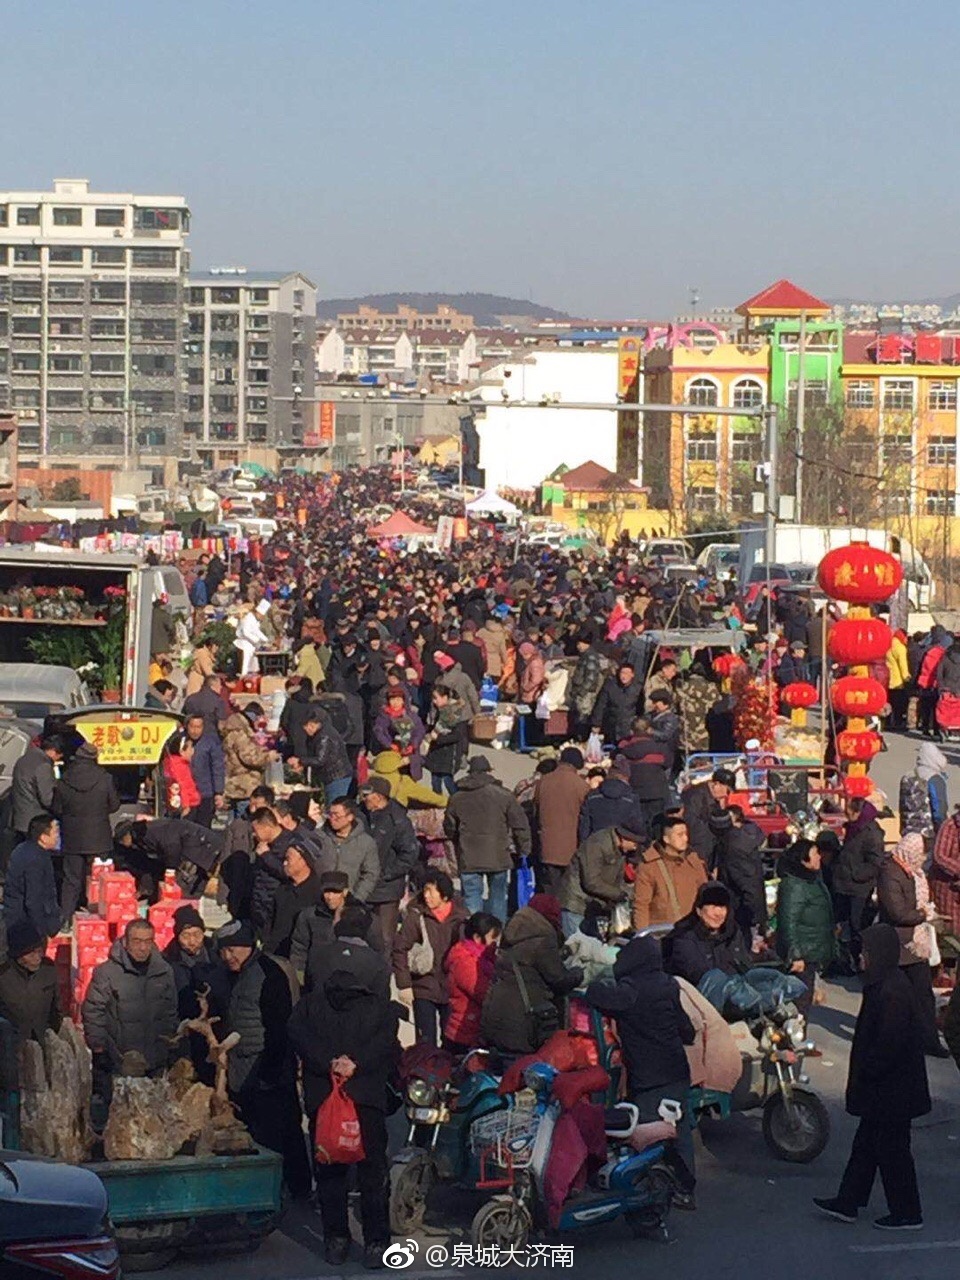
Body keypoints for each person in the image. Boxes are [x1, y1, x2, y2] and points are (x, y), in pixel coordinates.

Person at [287, 936, 400, 1267]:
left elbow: (296, 1034)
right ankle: (377, 1243)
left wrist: (329, 1063)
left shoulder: (310, 1006)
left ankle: (335, 1239)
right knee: (372, 1172)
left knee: (329, 1172)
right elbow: (386, 1041)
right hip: (366, 1098)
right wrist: (356, 1063)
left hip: (325, 1100)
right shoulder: (378, 1008)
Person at [814, 923, 930, 1231]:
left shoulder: (891, 991)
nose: (860, 959)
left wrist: (868, 1071)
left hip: (892, 1089)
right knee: (867, 1145)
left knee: (892, 1151)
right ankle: (848, 1201)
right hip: (889, 1088)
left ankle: (907, 1212)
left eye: (864, 953)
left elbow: (888, 1044)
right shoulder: (884, 983)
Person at [586, 933, 696, 1196]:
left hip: (649, 1076)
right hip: (676, 1070)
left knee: (648, 1134)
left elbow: (595, 994)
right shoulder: (668, 985)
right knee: (678, 1131)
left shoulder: (630, 992)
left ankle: (656, 1189)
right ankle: (685, 1187)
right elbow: (687, 1030)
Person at [215, 919, 311, 1197]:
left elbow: (280, 1026)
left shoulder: (269, 974)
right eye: (224, 951)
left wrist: (270, 1072)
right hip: (240, 1068)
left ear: (250, 947)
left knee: (281, 1133)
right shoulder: (229, 975)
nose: (229, 956)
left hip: (268, 1069)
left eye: (235, 950)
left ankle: (294, 1189)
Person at [82, 919, 178, 1093]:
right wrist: (99, 1048)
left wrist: (170, 1045)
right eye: (137, 941)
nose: (143, 948)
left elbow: (170, 1010)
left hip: (155, 1062)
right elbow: (93, 1010)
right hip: (119, 1062)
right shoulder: (107, 972)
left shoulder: (164, 971)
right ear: (126, 942)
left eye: (147, 941)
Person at [480, 895, 583, 1055]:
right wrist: (579, 973)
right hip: (523, 1024)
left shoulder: (513, 933)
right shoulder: (543, 939)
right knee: (522, 1073)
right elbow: (559, 980)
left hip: (495, 1015)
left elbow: (527, 962)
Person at [876, 834, 947, 1057]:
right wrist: (922, 914)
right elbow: (897, 912)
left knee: (923, 995)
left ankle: (927, 1040)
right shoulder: (890, 874)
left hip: (914, 943)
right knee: (889, 996)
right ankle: (887, 1039)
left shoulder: (911, 872)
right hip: (897, 944)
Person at [443, 756, 531, 921]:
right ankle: (495, 938)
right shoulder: (503, 795)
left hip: (469, 856)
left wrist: (458, 842)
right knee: (498, 899)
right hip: (498, 855)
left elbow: (449, 828)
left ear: (470, 772)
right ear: (489, 771)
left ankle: (473, 938)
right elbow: (520, 825)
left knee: (471, 899)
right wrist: (523, 849)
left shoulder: (457, 798)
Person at [393, 870, 469, 1046]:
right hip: (423, 986)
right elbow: (400, 949)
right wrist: (403, 984)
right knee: (425, 1042)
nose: (427, 896)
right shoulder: (416, 916)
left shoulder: (462, 917)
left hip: (452, 989)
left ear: (444, 894)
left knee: (451, 1040)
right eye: (425, 891)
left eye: (431, 891)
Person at [51, 742, 121, 924]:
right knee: (100, 880)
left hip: (72, 837)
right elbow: (114, 805)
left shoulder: (64, 779)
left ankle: (65, 919)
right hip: (99, 838)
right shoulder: (105, 778)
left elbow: (56, 807)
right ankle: (99, 922)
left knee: (71, 880)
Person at [358, 777, 422, 951]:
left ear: (378, 797)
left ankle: (383, 974)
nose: (363, 798)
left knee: (385, 939)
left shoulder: (398, 820)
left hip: (386, 889)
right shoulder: (359, 814)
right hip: (361, 886)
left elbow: (409, 854)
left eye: (367, 795)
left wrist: (385, 873)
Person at [776, 839, 836, 1014]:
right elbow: (788, 921)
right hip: (802, 953)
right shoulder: (794, 885)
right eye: (815, 853)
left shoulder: (812, 879)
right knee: (799, 1002)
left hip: (812, 950)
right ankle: (796, 1037)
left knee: (805, 999)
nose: (819, 857)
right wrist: (795, 955)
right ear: (803, 859)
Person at [559, 821, 641, 938]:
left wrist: (630, 895)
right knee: (576, 949)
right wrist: (618, 894)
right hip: (576, 905)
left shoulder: (622, 851)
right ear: (625, 838)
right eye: (635, 842)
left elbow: (617, 880)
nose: (635, 847)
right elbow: (591, 881)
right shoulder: (597, 844)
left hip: (594, 907)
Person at [667, 882, 750, 987]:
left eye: (722, 907)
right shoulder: (684, 939)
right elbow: (698, 975)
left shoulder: (733, 934)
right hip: (700, 998)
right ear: (699, 910)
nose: (718, 913)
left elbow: (746, 966)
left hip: (740, 994)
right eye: (712, 907)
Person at [832, 798, 884, 964]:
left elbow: (875, 863)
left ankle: (860, 959)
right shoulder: (854, 829)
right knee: (842, 924)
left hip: (858, 889)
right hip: (844, 885)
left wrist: (856, 875)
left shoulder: (871, 834)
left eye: (849, 813)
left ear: (858, 813)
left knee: (857, 925)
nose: (847, 817)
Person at [633, 817, 708, 930]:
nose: (685, 839)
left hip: (692, 931)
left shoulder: (693, 861)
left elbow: (705, 894)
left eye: (686, 834)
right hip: (661, 931)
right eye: (680, 835)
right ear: (666, 839)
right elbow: (641, 905)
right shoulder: (649, 866)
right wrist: (643, 937)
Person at [533, 746, 589, 897]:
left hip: (547, 846)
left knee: (549, 892)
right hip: (571, 848)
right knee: (568, 894)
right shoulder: (581, 786)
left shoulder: (544, 782)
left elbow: (536, 810)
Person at [443, 912, 501, 1051]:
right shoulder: (466, 961)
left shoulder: (485, 958)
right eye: (493, 938)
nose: (496, 943)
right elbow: (482, 993)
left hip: (474, 1029)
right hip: (464, 1033)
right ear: (477, 938)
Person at [0, 920, 61, 1042]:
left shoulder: (48, 970)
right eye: (31, 954)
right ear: (19, 956)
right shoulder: (3, 976)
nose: (37, 958)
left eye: (39, 952)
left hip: (42, 1039)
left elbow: (57, 1007)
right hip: (12, 1045)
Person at [3, 815, 62, 941]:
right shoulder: (36, 859)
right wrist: (41, 932)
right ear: (43, 837)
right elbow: (34, 898)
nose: (58, 836)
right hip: (25, 924)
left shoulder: (22, 849)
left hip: (15, 917)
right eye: (55, 832)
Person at [263, 842, 326, 959]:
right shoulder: (282, 889)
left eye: (288, 859)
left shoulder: (318, 894)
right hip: (275, 954)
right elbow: (270, 921)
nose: (284, 863)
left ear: (303, 861)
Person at [715, 804, 766, 946]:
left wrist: (755, 921)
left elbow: (749, 885)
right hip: (742, 912)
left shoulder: (733, 847)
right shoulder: (737, 840)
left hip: (741, 914)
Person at [314, 799, 381, 903]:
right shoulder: (319, 837)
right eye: (330, 814)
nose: (332, 819)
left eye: (336, 815)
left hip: (348, 901)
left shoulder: (365, 842)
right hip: (319, 899)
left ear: (350, 817)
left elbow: (371, 874)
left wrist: (357, 898)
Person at [221, 704, 278, 815]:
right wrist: (268, 756)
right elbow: (249, 758)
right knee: (244, 819)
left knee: (236, 820)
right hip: (243, 785)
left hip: (237, 783)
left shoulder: (237, 730)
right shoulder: (239, 733)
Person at [577, 755, 647, 844]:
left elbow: (584, 828)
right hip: (621, 848)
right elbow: (637, 828)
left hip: (595, 847)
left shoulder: (592, 796)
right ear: (626, 777)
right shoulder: (631, 799)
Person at [679, 768, 734, 874]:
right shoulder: (695, 796)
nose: (726, 795)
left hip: (710, 846)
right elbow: (691, 824)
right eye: (727, 790)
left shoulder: (715, 799)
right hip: (698, 847)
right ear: (717, 784)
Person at [10, 734, 62, 841]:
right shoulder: (43, 765)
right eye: (59, 755)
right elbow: (48, 798)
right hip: (37, 820)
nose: (57, 759)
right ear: (52, 751)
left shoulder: (23, 759)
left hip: (20, 818)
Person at [185, 713, 226, 828]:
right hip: (186, 794)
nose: (195, 731)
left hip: (205, 793)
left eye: (198, 727)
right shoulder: (181, 742)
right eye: (192, 726)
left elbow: (217, 767)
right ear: (187, 726)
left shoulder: (211, 743)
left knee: (203, 827)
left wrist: (218, 792)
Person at [591, 661, 644, 745]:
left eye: (627, 673)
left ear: (632, 675)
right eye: (622, 673)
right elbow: (600, 705)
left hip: (628, 727)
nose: (624, 676)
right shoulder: (610, 685)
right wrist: (596, 724)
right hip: (611, 725)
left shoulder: (638, 689)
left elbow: (640, 709)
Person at [163, 735, 201, 818]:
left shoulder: (181, 764)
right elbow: (180, 786)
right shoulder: (177, 766)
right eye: (190, 748)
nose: (193, 751)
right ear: (181, 751)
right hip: (187, 806)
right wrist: (185, 806)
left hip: (191, 803)